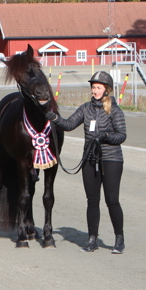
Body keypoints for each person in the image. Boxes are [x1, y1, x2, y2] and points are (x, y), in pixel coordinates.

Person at [46, 71, 127, 254]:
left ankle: (119, 239)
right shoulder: (85, 108)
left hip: (111, 159)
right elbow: (68, 124)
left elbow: (122, 135)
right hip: (89, 159)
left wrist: (104, 136)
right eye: (93, 87)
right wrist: (54, 118)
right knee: (92, 201)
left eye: (98, 87)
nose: (95, 90)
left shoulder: (114, 109)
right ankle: (92, 239)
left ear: (107, 90)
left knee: (112, 200)